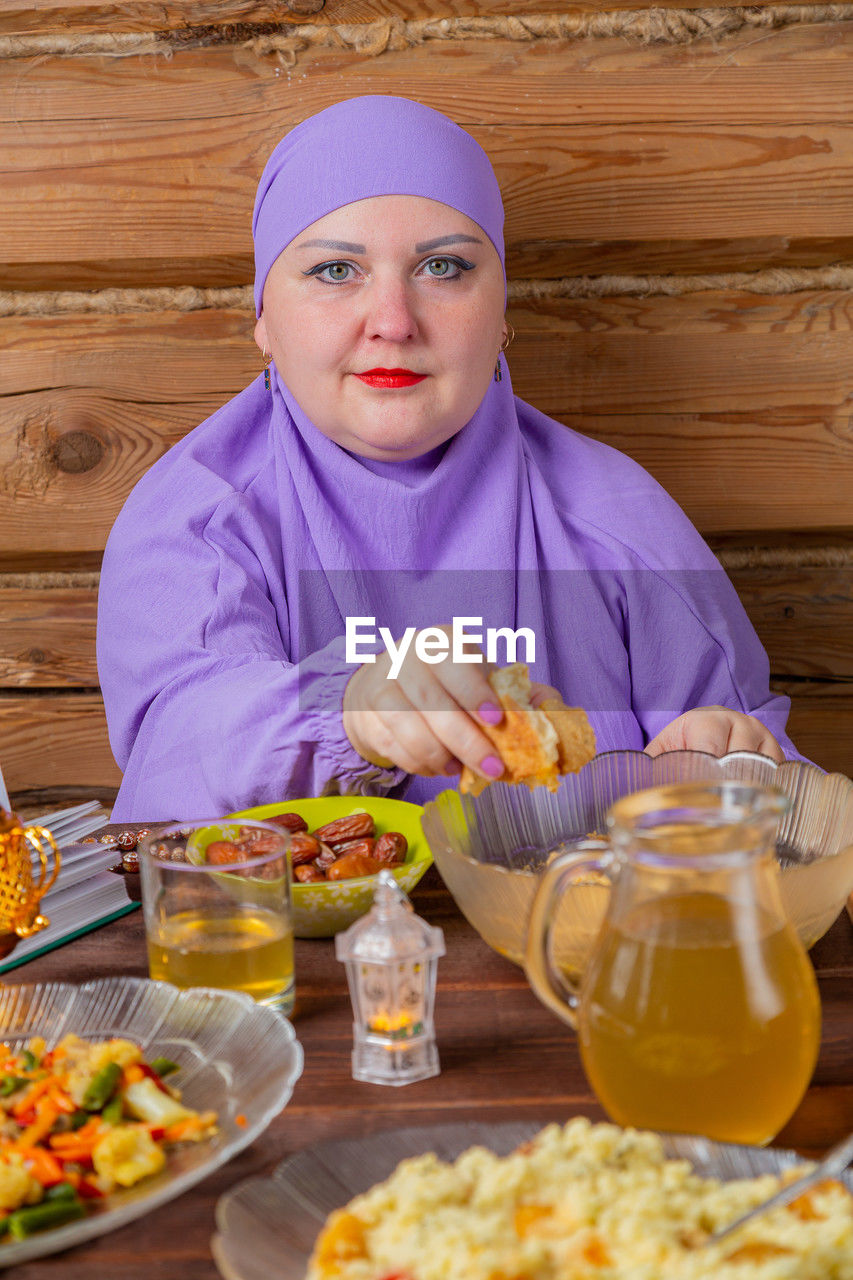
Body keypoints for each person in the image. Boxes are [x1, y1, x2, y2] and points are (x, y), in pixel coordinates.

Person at [97, 95, 804, 822]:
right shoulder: (192, 522)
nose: (393, 323)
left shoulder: (619, 519)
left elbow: (774, 799)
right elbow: (179, 742)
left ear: (500, 314)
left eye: (442, 266)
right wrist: (348, 713)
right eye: (335, 271)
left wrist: (733, 760)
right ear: (263, 320)